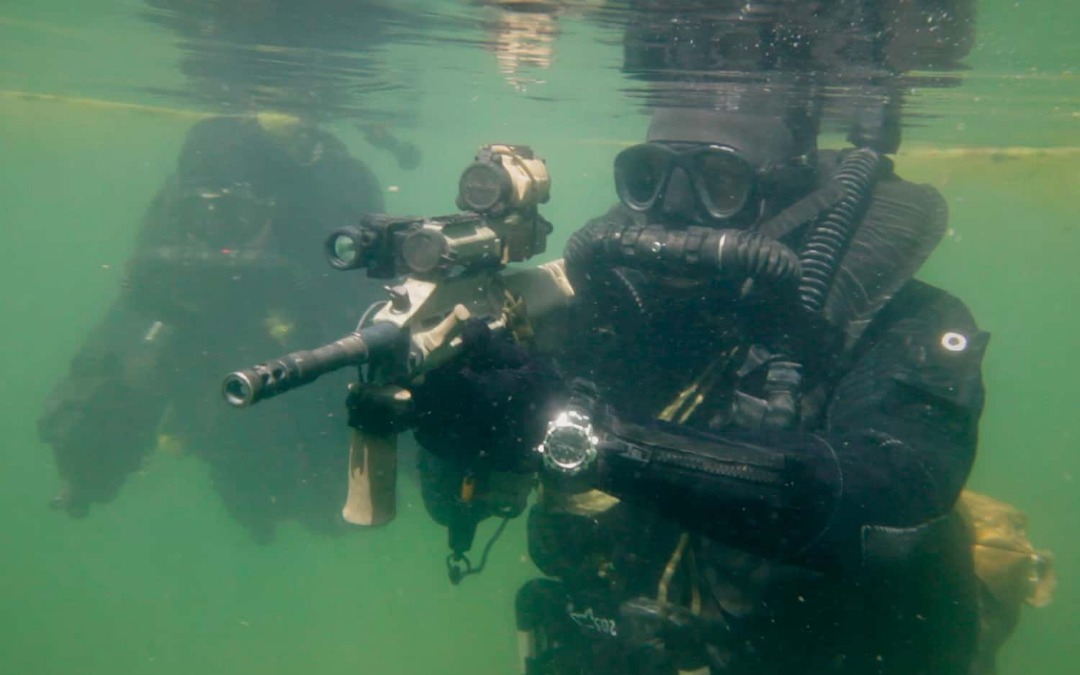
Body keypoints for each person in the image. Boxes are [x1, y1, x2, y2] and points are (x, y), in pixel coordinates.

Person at [38, 114, 387, 542]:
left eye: (234, 214)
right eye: (200, 211)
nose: (215, 234)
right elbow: (126, 350)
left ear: (271, 209)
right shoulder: (171, 261)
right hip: (242, 453)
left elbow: (369, 324)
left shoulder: (317, 236)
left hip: (319, 433)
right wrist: (88, 454)